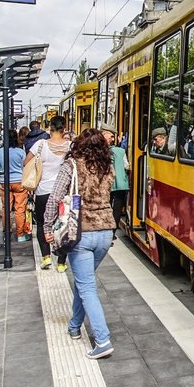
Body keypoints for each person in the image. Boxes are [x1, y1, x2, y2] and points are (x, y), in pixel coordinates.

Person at [44, 128, 116, 360]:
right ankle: (75, 326)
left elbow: (55, 198)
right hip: (105, 232)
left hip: (80, 233)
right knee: (84, 283)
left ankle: (102, 340)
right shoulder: (108, 166)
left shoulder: (72, 165)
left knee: (86, 287)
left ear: (80, 144)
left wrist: (47, 227)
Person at [25, 116, 72, 270]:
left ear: (50, 128)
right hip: (64, 193)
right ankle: (61, 263)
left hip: (43, 191)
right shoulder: (70, 146)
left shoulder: (40, 145)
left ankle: (46, 257)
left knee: (41, 223)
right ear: (64, 129)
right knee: (64, 225)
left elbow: (26, 162)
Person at [0, 129, 29, 241]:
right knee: (20, 209)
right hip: (19, 183)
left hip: (5, 182)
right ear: (16, 139)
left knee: (6, 208)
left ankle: (7, 233)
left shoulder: (0, 152)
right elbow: (25, 168)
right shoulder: (21, 152)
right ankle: (20, 235)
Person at [99, 123, 130, 236]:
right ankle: (112, 233)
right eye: (111, 136)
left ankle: (105, 230)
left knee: (106, 207)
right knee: (117, 208)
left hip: (106, 184)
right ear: (104, 134)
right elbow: (127, 166)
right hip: (120, 184)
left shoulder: (99, 151)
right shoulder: (120, 151)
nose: (113, 139)